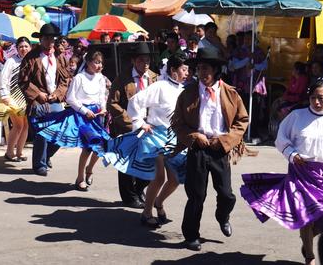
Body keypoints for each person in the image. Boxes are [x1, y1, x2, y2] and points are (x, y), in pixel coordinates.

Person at [240, 77, 323, 265]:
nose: (316, 102)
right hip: (301, 172)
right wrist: (292, 154)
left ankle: (306, 240)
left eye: (321, 98)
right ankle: (309, 255)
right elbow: (282, 139)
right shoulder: (296, 116)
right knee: (306, 216)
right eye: (312, 98)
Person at [171, 48, 249, 251]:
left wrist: (225, 141)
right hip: (197, 148)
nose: (200, 72)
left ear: (215, 70)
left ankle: (222, 215)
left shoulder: (230, 93)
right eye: (198, 68)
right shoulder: (187, 93)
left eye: (205, 68)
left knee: (226, 194)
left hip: (220, 148)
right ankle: (191, 236)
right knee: (196, 195)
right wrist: (194, 136)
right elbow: (177, 122)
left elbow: (242, 121)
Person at [108, 55, 188, 228]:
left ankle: (159, 202)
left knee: (175, 179)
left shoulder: (184, 90)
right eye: (183, 69)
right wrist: (140, 123)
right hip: (155, 135)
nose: (187, 73)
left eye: (188, 69)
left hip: (174, 138)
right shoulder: (160, 86)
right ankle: (147, 213)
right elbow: (135, 101)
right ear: (173, 71)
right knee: (159, 177)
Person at [31, 51, 110, 191]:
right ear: (88, 62)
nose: (99, 65)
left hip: (98, 115)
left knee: (102, 146)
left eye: (101, 62)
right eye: (96, 62)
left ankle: (89, 169)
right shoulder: (79, 78)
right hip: (83, 116)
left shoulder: (101, 78)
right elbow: (70, 98)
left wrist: (103, 108)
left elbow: (102, 96)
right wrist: (85, 111)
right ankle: (80, 178)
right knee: (87, 148)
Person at [107, 42, 158, 209]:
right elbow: (112, 104)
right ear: (134, 61)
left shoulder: (154, 78)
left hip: (149, 127)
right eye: (142, 61)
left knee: (151, 162)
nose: (145, 65)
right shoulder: (123, 78)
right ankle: (129, 197)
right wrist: (130, 122)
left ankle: (139, 189)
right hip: (128, 128)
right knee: (127, 164)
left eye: (148, 61)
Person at [19, 23, 70, 177]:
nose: (50, 42)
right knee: (42, 133)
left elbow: (66, 80)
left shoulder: (60, 57)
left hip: (55, 101)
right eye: (46, 38)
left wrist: (58, 93)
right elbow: (23, 81)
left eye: (52, 39)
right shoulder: (31, 57)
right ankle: (39, 165)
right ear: (40, 39)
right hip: (38, 102)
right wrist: (37, 94)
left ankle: (46, 155)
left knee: (63, 133)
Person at [0, 37, 32, 162]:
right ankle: (9, 152)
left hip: (27, 98)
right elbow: (3, 78)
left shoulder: (32, 61)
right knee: (18, 125)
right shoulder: (11, 61)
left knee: (25, 125)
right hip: (12, 97)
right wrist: (4, 95)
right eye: (21, 46)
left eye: (26, 46)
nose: (23, 49)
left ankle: (20, 152)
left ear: (30, 47)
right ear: (17, 48)